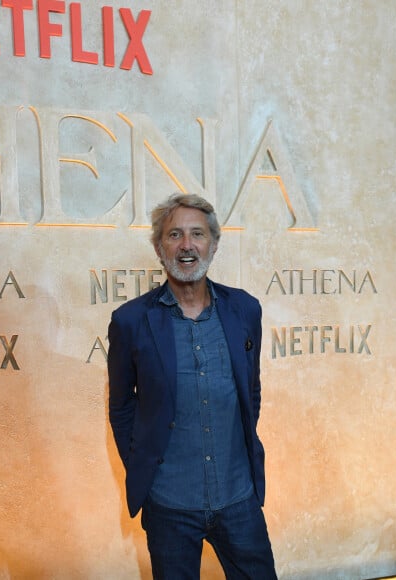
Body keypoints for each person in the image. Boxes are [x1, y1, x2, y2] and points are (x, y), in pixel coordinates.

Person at [107, 193, 277, 579]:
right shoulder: (130, 321)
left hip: (238, 497)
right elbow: (121, 407)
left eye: (197, 234)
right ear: (158, 247)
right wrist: (145, 475)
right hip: (169, 504)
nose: (187, 245)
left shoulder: (245, 310)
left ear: (213, 244)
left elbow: (250, 391)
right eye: (175, 235)